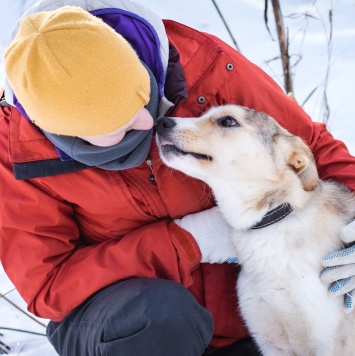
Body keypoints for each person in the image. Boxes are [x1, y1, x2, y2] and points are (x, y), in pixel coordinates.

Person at [0, 1, 355, 355]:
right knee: (161, 316)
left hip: (244, 312)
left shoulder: (200, 62)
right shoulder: (20, 148)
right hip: (132, 325)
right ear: (67, 132)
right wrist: (188, 241)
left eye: (143, 94)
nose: (147, 121)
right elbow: (48, 284)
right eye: (121, 122)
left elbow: (308, 147)